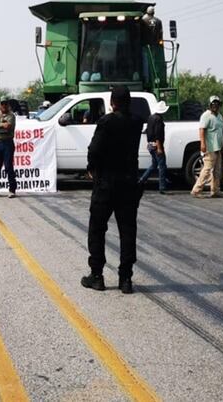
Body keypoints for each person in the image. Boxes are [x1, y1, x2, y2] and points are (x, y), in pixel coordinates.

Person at [82, 87, 146, 294]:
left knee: (97, 229)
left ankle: (97, 275)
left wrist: (91, 168)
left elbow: (94, 149)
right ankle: (125, 278)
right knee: (127, 231)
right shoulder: (137, 123)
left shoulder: (106, 122)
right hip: (128, 183)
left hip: (106, 183)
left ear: (112, 102)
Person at [191, 96, 223, 198]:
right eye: (213, 104)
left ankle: (215, 190)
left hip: (218, 147)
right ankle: (196, 190)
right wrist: (203, 144)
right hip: (210, 147)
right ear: (210, 105)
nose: (215, 105)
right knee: (207, 169)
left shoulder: (219, 116)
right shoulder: (206, 116)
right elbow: (202, 130)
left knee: (217, 170)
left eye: (217, 103)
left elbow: (222, 130)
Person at [139, 101, 170, 194]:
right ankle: (162, 186)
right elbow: (158, 135)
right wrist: (160, 148)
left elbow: (147, 130)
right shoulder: (159, 120)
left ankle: (142, 180)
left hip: (150, 145)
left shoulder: (151, 117)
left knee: (154, 165)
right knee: (162, 166)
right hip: (157, 145)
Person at [0, 97, 17, 198]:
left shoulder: (11, 116)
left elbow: (8, 127)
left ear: (8, 105)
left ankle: (12, 190)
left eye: (6, 104)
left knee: (8, 166)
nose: (4, 106)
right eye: (2, 104)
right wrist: (1, 125)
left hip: (7, 143)